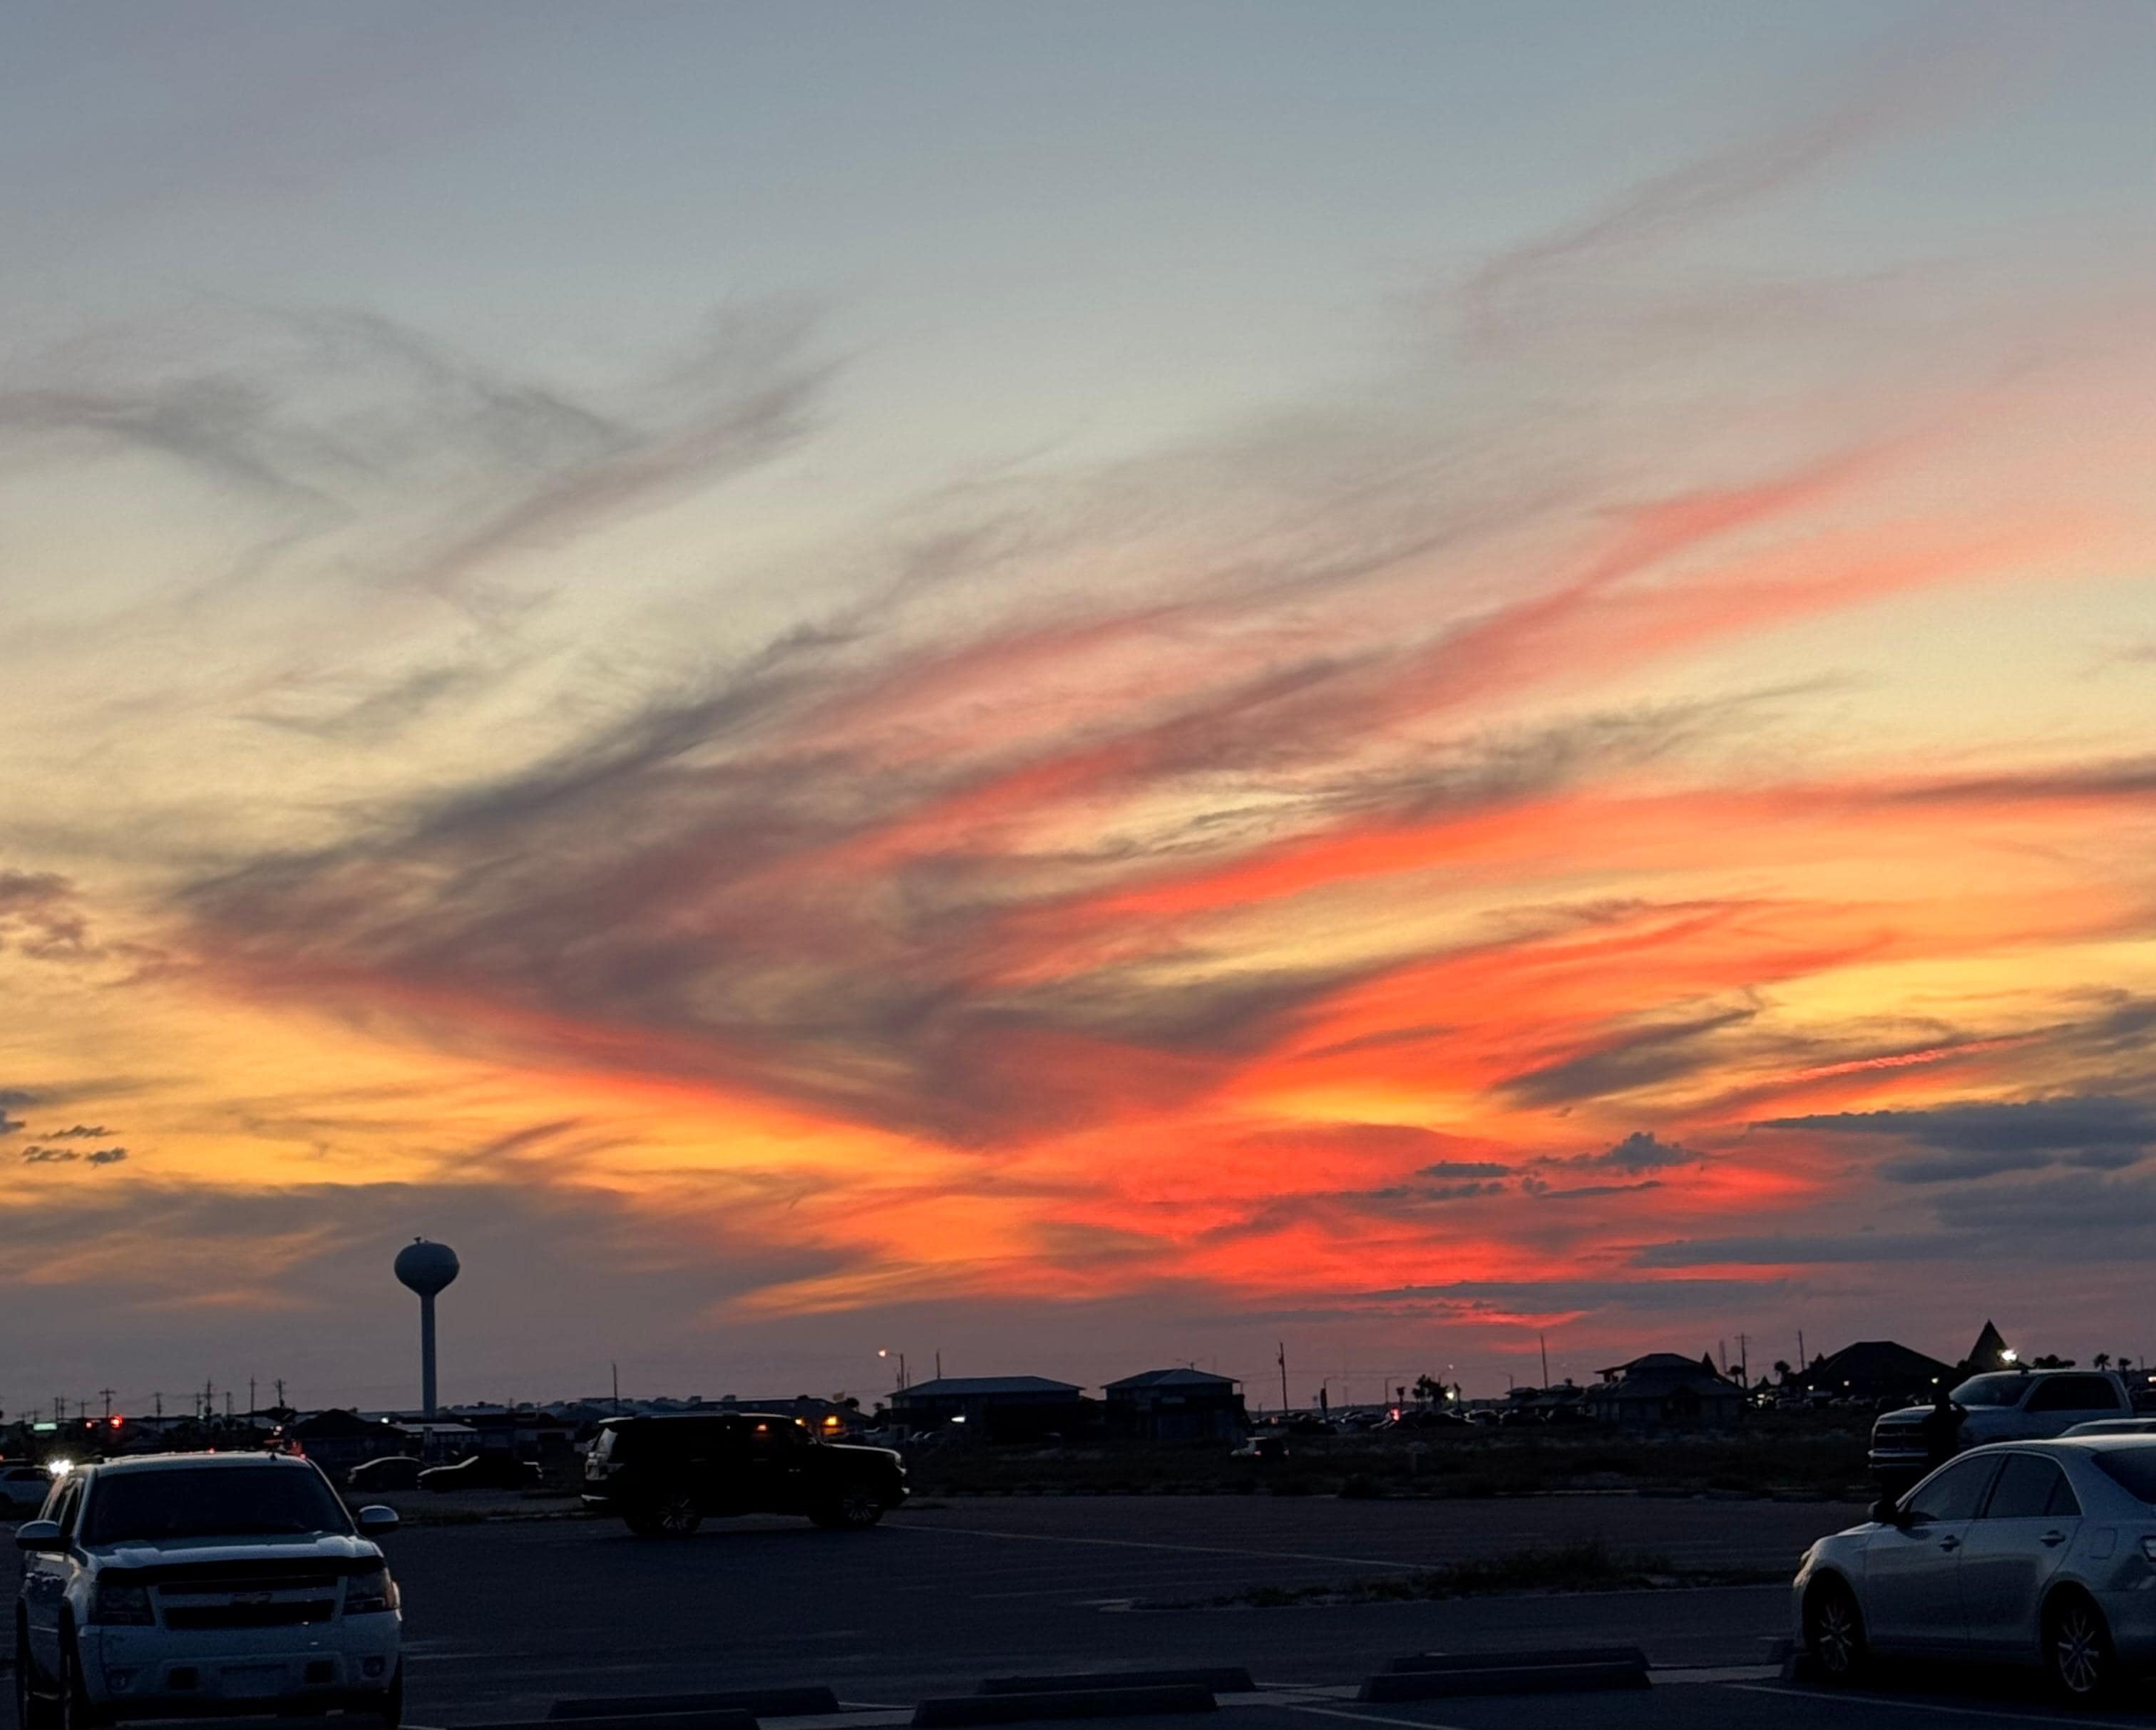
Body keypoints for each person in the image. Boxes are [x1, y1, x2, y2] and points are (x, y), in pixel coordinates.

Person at [1919, 1383, 1965, 1472]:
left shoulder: (1929, 1419)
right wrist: (1955, 1404)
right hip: (1948, 1452)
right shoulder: (1952, 1417)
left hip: (1935, 1453)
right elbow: (1964, 1414)